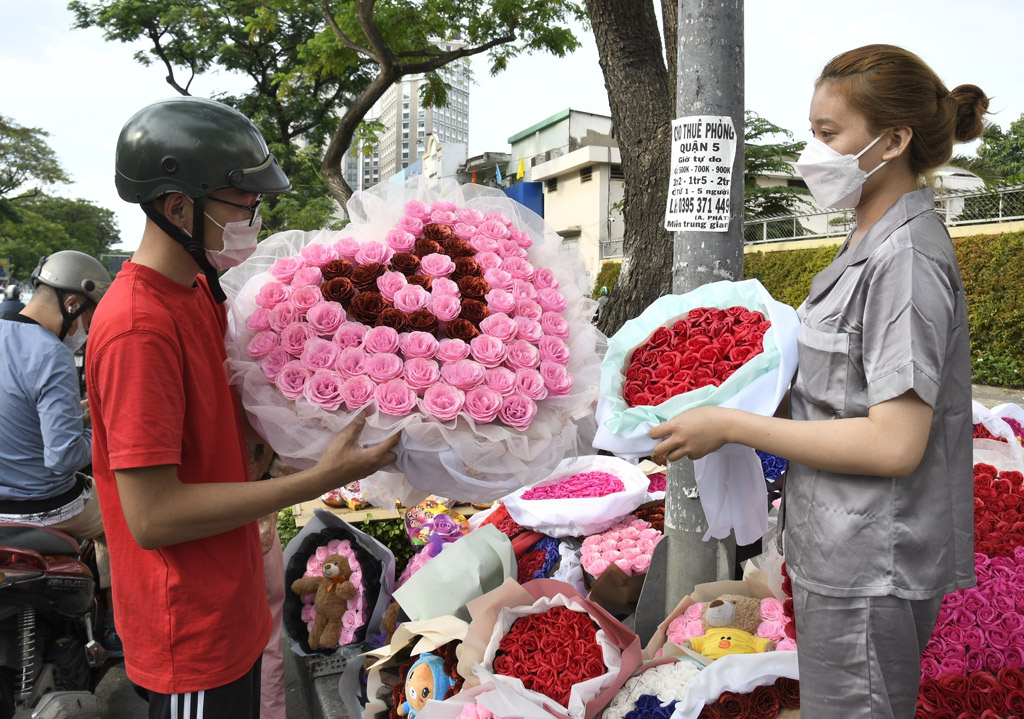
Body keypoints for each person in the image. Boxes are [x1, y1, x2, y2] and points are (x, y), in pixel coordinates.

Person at [649, 45, 986, 718]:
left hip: (872, 555)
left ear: (893, 140)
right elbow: (843, 387)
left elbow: (895, 442)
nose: (814, 153)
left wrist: (732, 425)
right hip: (843, 542)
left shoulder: (907, 258)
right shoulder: (869, 237)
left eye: (829, 134)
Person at [87, 96, 398, 719]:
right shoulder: (137, 327)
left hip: (232, 606)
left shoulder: (200, 291)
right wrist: (316, 480)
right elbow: (153, 515)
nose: (255, 219)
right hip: (191, 634)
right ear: (178, 207)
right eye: (243, 203)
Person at [0, 251, 110, 552]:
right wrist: (106, 431)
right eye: (90, 317)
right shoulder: (52, 353)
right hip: (44, 506)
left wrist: (81, 414)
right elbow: (63, 457)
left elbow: (18, 415)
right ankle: (119, 600)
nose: (88, 330)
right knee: (128, 522)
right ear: (73, 305)